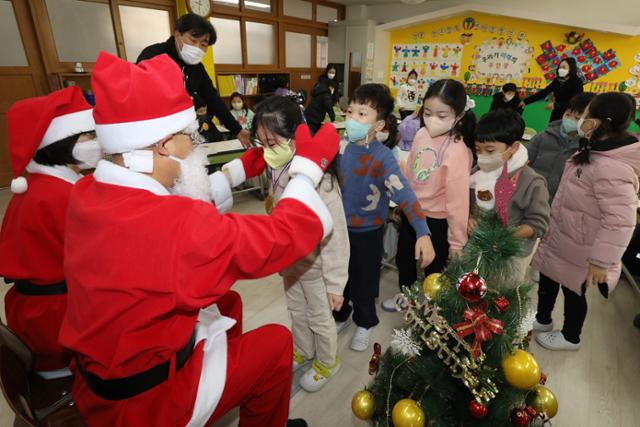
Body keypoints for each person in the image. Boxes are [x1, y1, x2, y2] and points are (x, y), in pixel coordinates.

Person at [58, 52, 339, 427]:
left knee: (229, 303)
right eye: (190, 135)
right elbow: (275, 238)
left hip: (101, 378)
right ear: (162, 144)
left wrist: (235, 172)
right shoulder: (172, 224)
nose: (196, 146)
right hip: (148, 402)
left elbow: (177, 204)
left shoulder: (90, 191)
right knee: (274, 345)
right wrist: (305, 173)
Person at [0, 86, 101, 376]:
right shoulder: (61, 196)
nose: (96, 142)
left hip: (31, 314)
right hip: (56, 323)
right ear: (60, 142)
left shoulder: (38, 186)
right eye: (89, 135)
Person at [251, 96, 349, 392]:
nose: (268, 151)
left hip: (316, 268)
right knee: (296, 311)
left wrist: (335, 283)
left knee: (320, 317)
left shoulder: (322, 182)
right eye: (262, 144)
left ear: (296, 136)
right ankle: (304, 349)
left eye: (272, 142)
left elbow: (338, 238)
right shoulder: (279, 170)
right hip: (290, 263)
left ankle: (328, 360)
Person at [532, 92, 640, 351]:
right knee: (548, 278)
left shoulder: (612, 167)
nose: (580, 119)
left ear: (599, 121)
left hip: (582, 247)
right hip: (562, 235)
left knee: (573, 292)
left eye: (587, 114)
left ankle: (571, 337)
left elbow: (620, 221)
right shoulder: (592, 149)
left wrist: (602, 261)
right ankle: (542, 319)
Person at [332, 83, 435, 351]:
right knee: (338, 276)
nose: (352, 118)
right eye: (350, 111)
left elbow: (405, 194)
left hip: (367, 231)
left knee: (364, 279)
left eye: (362, 114)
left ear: (378, 125)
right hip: (339, 230)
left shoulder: (382, 157)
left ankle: (365, 321)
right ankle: (341, 314)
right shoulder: (340, 149)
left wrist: (422, 231)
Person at [385, 79, 475, 311]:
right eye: (428, 112)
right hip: (412, 212)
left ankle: (430, 310)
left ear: (459, 115)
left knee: (432, 268)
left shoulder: (458, 151)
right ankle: (407, 297)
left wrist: (457, 242)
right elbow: (411, 175)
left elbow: (458, 202)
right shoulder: (421, 134)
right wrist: (402, 204)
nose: (433, 119)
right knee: (405, 260)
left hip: (436, 221)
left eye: (442, 115)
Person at [137, 13, 250, 146]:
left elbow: (213, 99)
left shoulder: (197, 68)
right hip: (149, 130)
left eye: (203, 44)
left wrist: (237, 130)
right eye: (193, 40)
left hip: (178, 132)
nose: (197, 48)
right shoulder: (153, 55)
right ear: (178, 35)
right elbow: (143, 94)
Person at [470, 109, 550, 281]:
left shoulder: (531, 182)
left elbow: (539, 224)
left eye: (490, 151)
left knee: (501, 299)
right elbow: (468, 202)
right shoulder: (478, 172)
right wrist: (469, 218)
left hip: (511, 257)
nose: (482, 157)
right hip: (477, 248)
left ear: (513, 148)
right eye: (478, 150)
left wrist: (504, 236)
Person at [527, 92, 595, 201]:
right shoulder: (543, 137)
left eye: (578, 118)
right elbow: (522, 164)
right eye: (567, 114)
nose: (569, 119)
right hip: (530, 196)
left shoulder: (589, 147)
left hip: (560, 203)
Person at [522, 58, 584, 123]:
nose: (561, 69)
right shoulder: (557, 81)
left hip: (570, 114)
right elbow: (543, 93)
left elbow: (575, 100)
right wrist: (525, 102)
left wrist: (556, 105)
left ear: (571, 68)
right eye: (560, 67)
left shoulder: (577, 82)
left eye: (564, 67)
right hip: (556, 113)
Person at [304, 69, 338, 134]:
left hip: (310, 115)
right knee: (313, 136)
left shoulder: (319, 91)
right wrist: (333, 118)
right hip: (314, 118)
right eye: (332, 88)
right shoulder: (326, 94)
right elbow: (329, 106)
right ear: (330, 87)